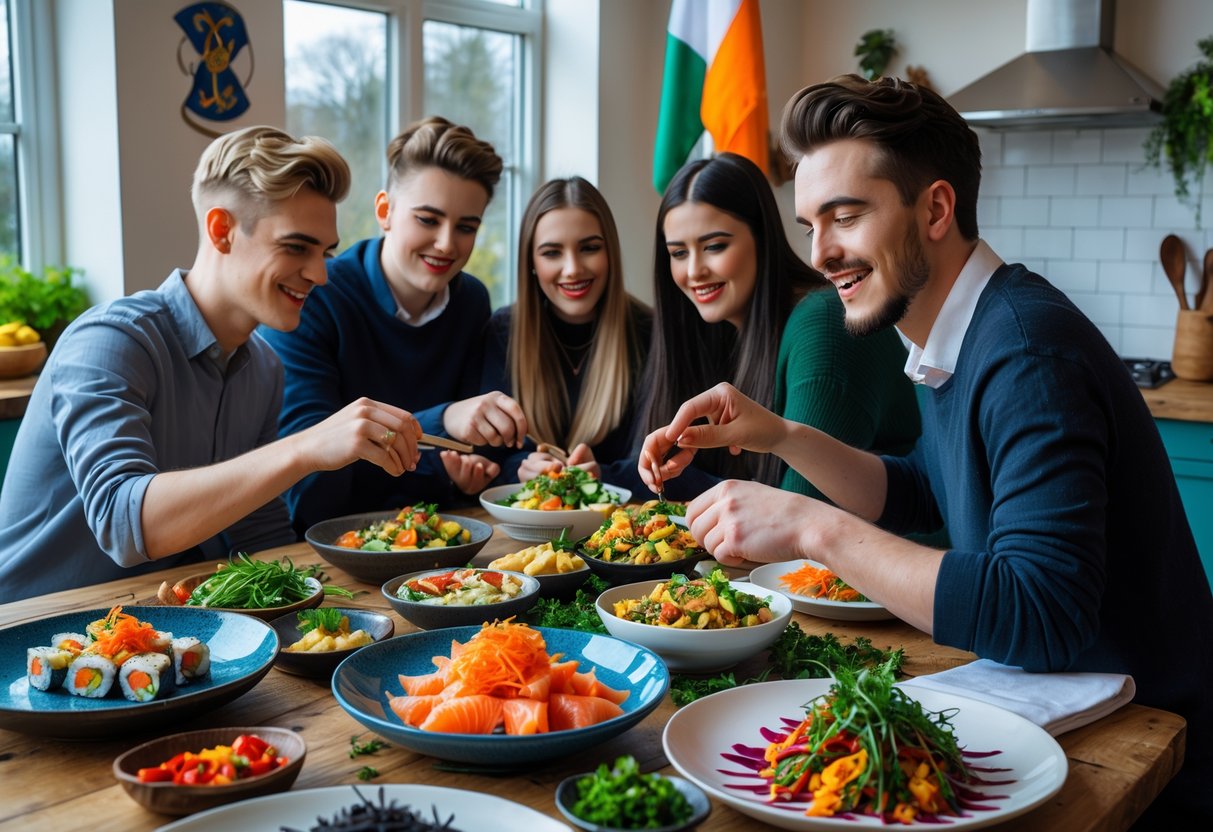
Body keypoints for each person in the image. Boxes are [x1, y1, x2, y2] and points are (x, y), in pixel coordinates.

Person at [640, 75, 1212, 824]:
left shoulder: (1026, 352)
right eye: (810, 224)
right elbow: (922, 489)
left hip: (1150, 764)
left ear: (936, 208)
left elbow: (1041, 610)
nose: (821, 254)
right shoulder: (950, 333)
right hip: (1059, 718)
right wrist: (779, 434)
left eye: (844, 217)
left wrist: (811, 526)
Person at [0, 126, 423, 604]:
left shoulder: (264, 367)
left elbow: (255, 530)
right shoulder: (111, 341)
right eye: (296, 247)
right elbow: (125, 526)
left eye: (325, 252)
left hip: (149, 626)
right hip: (27, 633)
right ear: (221, 230)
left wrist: (314, 612)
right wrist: (305, 447)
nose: (321, 274)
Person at [261, 116, 526, 534]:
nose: (446, 244)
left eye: (466, 227)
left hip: (436, 537)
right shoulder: (312, 298)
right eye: (427, 219)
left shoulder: (471, 301)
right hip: (327, 546)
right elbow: (310, 490)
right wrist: (443, 422)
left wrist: (456, 468)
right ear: (385, 211)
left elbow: (465, 460)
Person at [632, 151, 920, 500]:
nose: (694, 271)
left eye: (715, 246)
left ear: (761, 239)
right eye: (678, 253)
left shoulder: (825, 325)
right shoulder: (723, 329)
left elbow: (795, 513)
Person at [477, 177, 650, 484]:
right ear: (531, 261)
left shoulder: (650, 332)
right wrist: (521, 468)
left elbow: (667, 466)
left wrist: (604, 475)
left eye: (589, 248)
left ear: (610, 252)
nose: (572, 268)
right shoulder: (503, 332)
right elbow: (486, 460)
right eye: (552, 253)